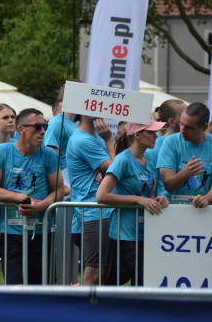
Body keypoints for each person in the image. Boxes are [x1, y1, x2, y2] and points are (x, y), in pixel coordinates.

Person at [0, 108, 64, 284]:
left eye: (44, 126)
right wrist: (20, 197)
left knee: (40, 288)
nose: (43, 131)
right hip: (12, 233)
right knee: (15, 288)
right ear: (21, 129)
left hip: (42, 232)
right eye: (37, 127)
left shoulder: (49, 154)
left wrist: (40, 205)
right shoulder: (2, 151)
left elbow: (59, 191)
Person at [96, 118, 169, 286]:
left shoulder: (150, 157)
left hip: (146, 232)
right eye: (151, 132)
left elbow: (153, 190)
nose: (156, 136)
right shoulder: (123, 159)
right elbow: (101, 196)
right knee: (137, 280)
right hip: (124, 234)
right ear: (137, 135)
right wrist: (138, 199)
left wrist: (161, 197)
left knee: (142, 281)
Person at [66, 115, 115, 285]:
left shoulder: (93, 138)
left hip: (99, 212)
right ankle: (82, 303)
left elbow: (111, 168)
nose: (102, 108)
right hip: (94, 213)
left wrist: (106, 172)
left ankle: (91, 302)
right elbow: (117, 169)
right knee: (95, 272)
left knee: (104, 271)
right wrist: (110, 140)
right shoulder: (83, 140)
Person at [157, 102, 212, 207]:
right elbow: (168, 185)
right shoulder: (171, 142)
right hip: (172, 209)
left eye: (189, 127)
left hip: (202, 212)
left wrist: (205, 199)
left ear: (204, 127)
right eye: (181, 124)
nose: (183, 130)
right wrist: (185, 173)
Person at [151, 100, 186, 199]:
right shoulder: (154, 147)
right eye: (183, 114)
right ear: (171, 121)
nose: (188, 116)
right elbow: (151, 181)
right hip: (166, 205)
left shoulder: (191, 142)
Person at [43, 99, 77, 187]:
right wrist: (58, 184)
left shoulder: (78, 122)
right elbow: (52, 155)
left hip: (79, 175)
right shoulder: (57, 122)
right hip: (66, 177)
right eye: (63, 109)